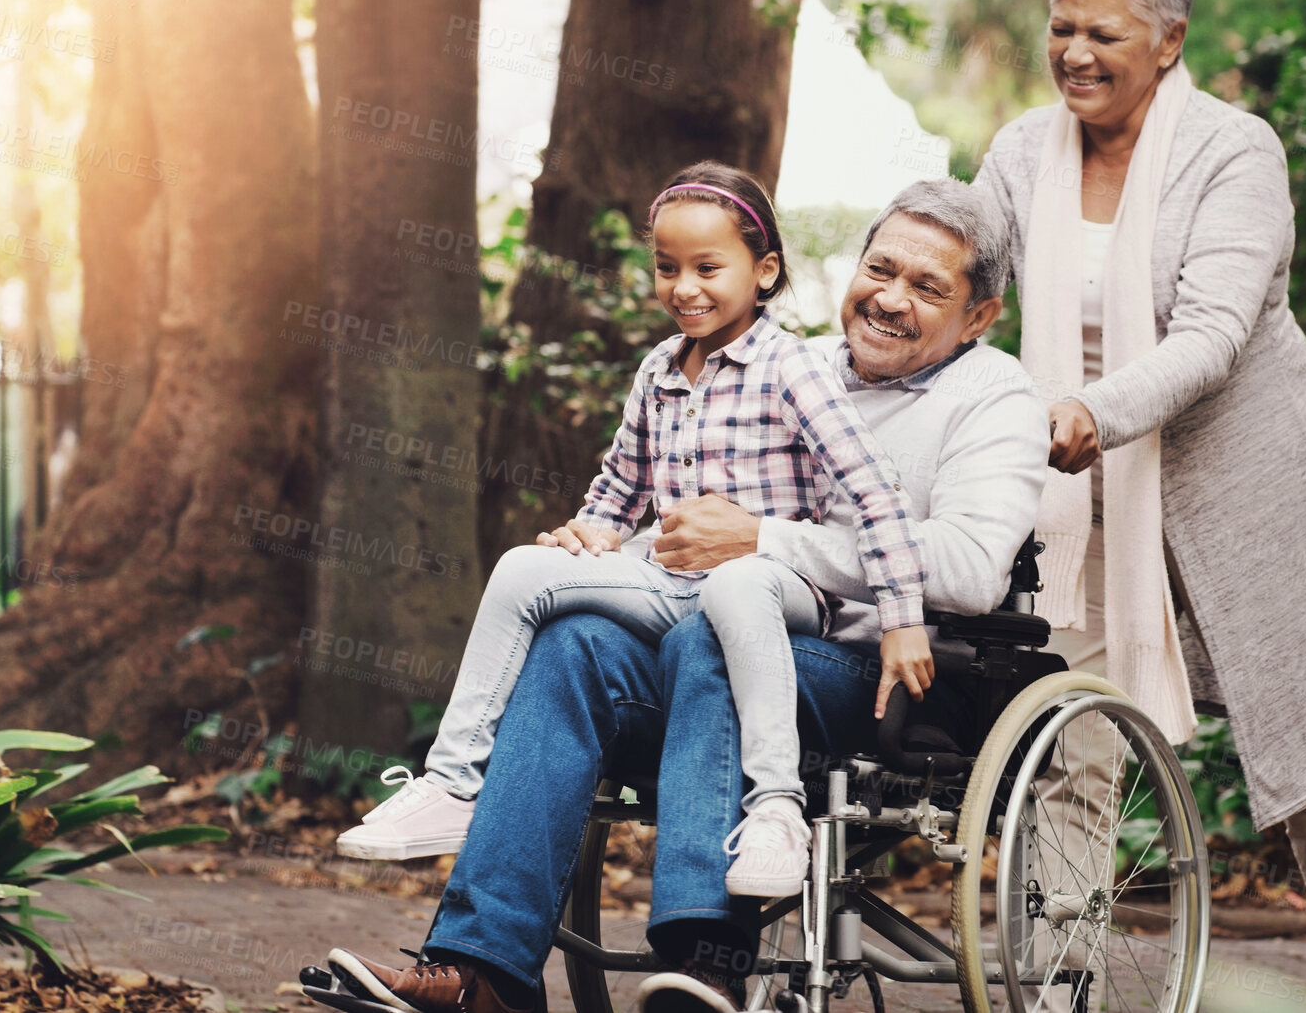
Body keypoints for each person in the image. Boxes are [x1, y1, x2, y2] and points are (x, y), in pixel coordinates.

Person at [316, 179, 1051, 1013]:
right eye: (879, 269)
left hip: (872, 670)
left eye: (928, 288)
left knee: (714, 633)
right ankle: (479, 970)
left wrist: (762, 541)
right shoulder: (783, 361)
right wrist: (599, 548)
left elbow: (966, 566)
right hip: (714, 624)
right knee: (576, 638)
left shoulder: (996, 399)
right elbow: (682, 514)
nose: (888, 299)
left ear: (980, 316)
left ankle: (702, 970)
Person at [973, 0, 1306, 1011]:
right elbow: (965, 278)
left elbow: (1212, 336)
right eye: (1060, 28)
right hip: (1075, 498)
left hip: (1235, 484)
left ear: (1168, 38)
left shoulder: (1233, 152)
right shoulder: (1022, 149)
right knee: (1068, 740)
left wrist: (1085, 411)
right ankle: (1064, 985)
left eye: (1104, 35)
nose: (1073, 53)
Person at [337, 161, 936, 900]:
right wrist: (587, 533)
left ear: (764, 270)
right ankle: (451, 784)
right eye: (666, 267)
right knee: (524, 569)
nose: (684, 287)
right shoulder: (658, 369)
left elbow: (875, 490)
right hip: (670, 583)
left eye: (708, 267)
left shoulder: (790, 368)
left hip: (779, 589)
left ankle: (775, 811)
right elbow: (619, 488)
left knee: (742, 581)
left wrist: (902, 619)